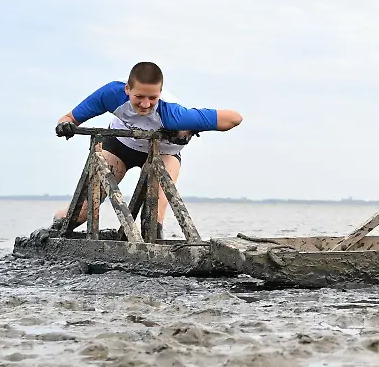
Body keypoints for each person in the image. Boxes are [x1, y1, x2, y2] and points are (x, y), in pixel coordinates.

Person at [52, 61, 243, 238]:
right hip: (121, 146)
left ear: (161, 92)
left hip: (163, 152)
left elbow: (235, 118)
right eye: (139, 97)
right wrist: (65, 126)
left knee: (152, 217)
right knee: (82, 212)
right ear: (127, 89)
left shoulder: (174, 114)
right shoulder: (111, 95)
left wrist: (196, 124)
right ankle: (57, 225)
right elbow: (69, 117)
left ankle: (153, 241)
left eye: (152, 98)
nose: (145, 104)